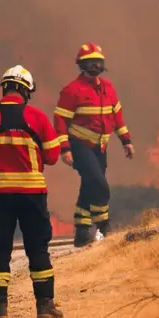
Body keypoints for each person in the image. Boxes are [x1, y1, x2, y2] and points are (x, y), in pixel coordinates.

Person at [0, 66, 64, 318]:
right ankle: (45, 307)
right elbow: (52, 157)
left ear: (6, 87)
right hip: (33, 195)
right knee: (38, 249)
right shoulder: (37, 117)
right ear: (23, 90)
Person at [52, 43, 135, 247]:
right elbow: (60, 121)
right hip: (80, 145)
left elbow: (117, 117)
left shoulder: (108, 88)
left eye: (98, 62)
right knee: (99, 184)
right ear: (82, 65)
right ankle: (103, 225)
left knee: (89, 185)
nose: (95, 66)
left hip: (101, 146)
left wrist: (126, 141)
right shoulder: (72, 91)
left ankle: (82, 232)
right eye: (90, 63)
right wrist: (65, 149)